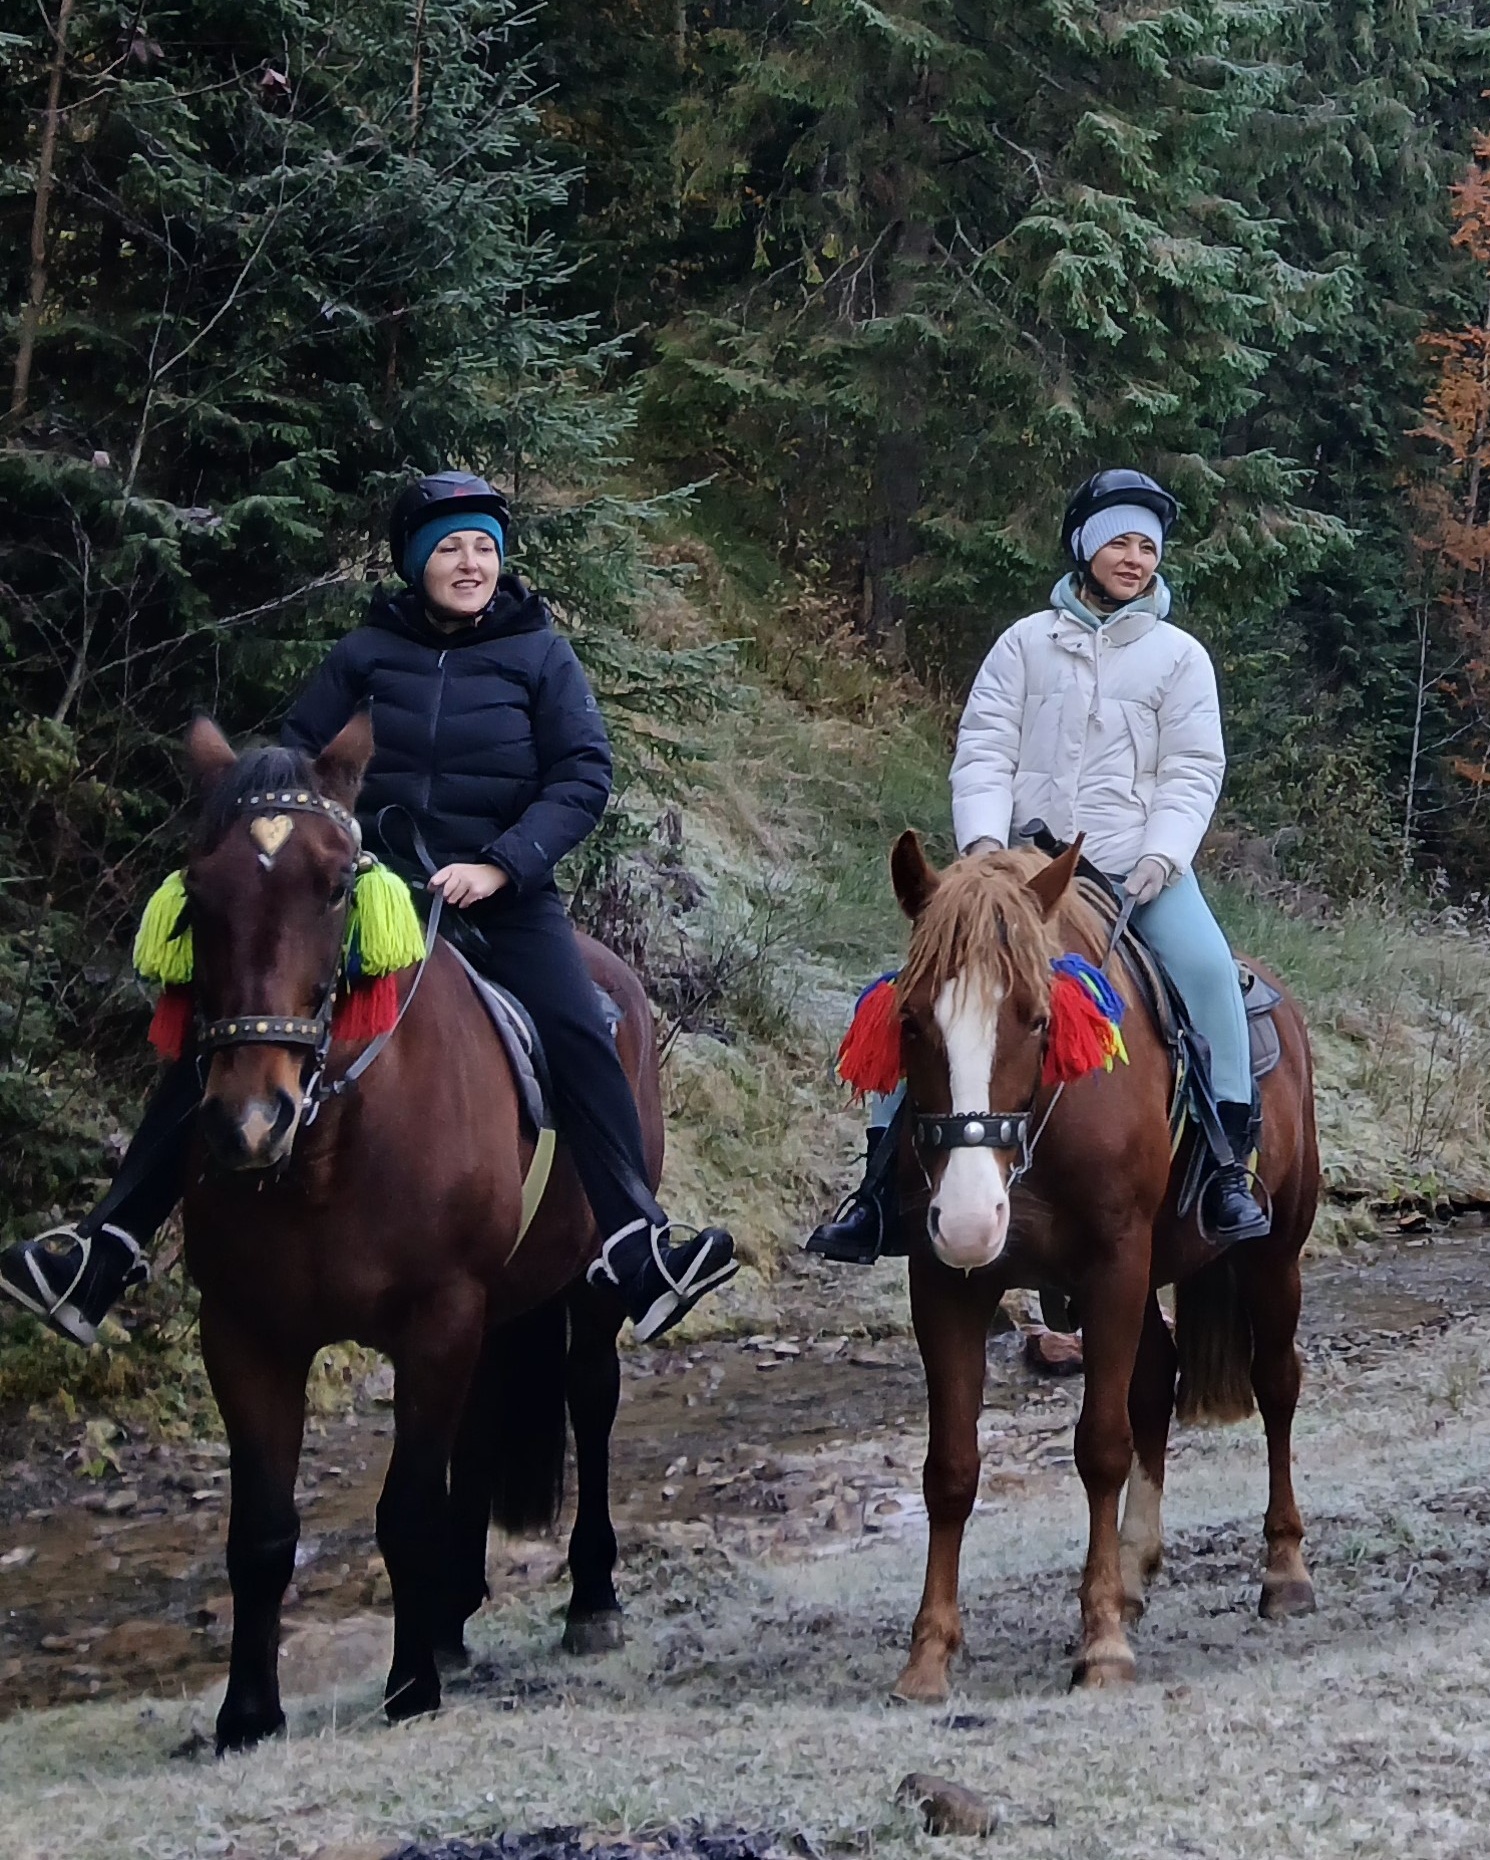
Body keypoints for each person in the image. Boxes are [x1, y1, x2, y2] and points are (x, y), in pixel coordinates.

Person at [1, 472, 739, 1347]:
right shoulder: (363, 654)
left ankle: (633, 1242)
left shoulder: (541, 653)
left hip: (502, 893)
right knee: (228, 1021)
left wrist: (501, 865)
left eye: (485, 549)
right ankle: (106, 1246)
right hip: (370, 889)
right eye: (451, 547)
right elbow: (296, 774)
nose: (471, 564)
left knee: (581, 1023)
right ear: (417, 561)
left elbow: (582, 774)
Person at [807, 468, 1269, 1255]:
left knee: (1209, 973)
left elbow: (1195, 766)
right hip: (1021, 874)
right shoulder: (1024, 644)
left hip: (1136, 870)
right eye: (1119, 541)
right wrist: (984, 847)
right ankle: (880, 1181)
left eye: (1147, 547)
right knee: (918, 994)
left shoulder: (1180, 657)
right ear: (1085, 546)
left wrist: (1164, 855)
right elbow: (984, 749)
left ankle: (1227, 1164)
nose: (1134, 558)